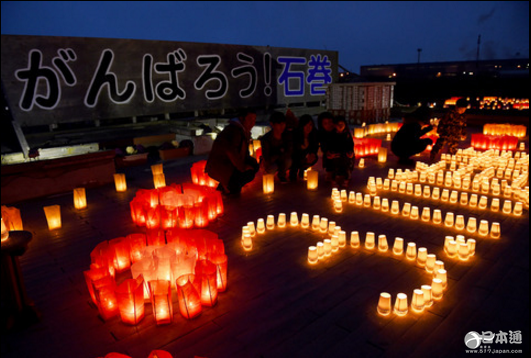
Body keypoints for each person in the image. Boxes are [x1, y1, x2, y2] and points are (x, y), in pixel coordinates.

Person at [205, 109, 259, 196]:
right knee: (247, 174)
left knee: (253, 164)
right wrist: (243, 167)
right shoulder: (234, 131)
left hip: (230, 164)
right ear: (242, 119)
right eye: (250, 119)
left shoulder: (242, 130)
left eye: (254, 120)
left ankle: (227, 185)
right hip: (222, 166)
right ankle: (228, 186)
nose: (252, 123)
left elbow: (243, 152)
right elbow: (231, 152)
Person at [259, 111, 293, 183]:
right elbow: (267, 157)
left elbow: (289, 150)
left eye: (283, 124)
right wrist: (280, 153)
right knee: (270, 169)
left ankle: (282, 174)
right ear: (272, 124)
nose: (282, 127)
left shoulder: (286, 135)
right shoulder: (266, 139)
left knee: (288, 161)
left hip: (283, 159)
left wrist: (279, 154)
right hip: (272, 161)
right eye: (279, 124)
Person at [326, 115, 355, 188]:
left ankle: (346, 179)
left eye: (342, 125)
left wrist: (350, 152)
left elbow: (351, 144)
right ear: (335, 125)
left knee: (346, 164)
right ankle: (333, 179)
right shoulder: (332, 134)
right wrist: (331, 153)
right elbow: (330, 144)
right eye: (338, 125)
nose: (340, 126)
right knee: (334, 165)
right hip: (335, 154)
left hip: (345, 154)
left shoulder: (347, 134)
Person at [290, 114, 319, 181]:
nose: (308, 127)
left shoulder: (314, 134)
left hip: (306, 156)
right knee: (298, 157)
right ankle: (293, 172)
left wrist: (312, 154)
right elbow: (293, 149)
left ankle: (302, 171)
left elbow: (315, 147)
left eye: (310, 125)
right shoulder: (296, 134)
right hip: (295, 156)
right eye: (306, 125)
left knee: (313, 157)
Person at [317, 111, 336, 181]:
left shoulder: (338, 132)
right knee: (328, 156)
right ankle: (329, 171)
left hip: (341, 154)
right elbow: (323, 147)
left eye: (330, 122)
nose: (329, 125)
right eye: (325, 123)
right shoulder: (322, 134)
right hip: (329, 155)